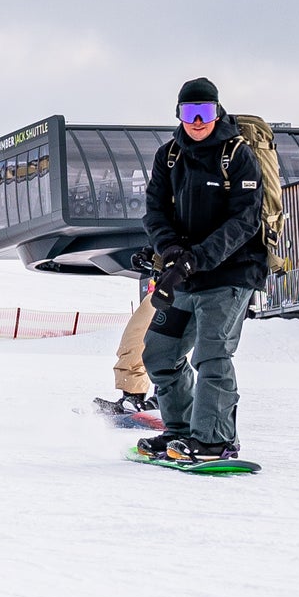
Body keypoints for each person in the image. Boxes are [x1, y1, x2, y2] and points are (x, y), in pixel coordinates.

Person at [136, 78, 266, 462]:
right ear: (178, 114)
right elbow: (155, 212)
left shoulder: (237, 155)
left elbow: (244, 221)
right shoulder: (169, 156)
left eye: (204, 112)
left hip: (231, 274)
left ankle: (215, 438)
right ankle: (180, 431)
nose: (197, 121)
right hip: (184, 274)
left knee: (212, 355)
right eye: (189, 113)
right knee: (160, 354)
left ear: (217, 111)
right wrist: (172, 250)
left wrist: (199, 256)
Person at [95, 264, 159, 416]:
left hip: (199, 282)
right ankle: (132, 396)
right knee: (135, 337)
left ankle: (166, 400)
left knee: (169, 342)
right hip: (166, 283)